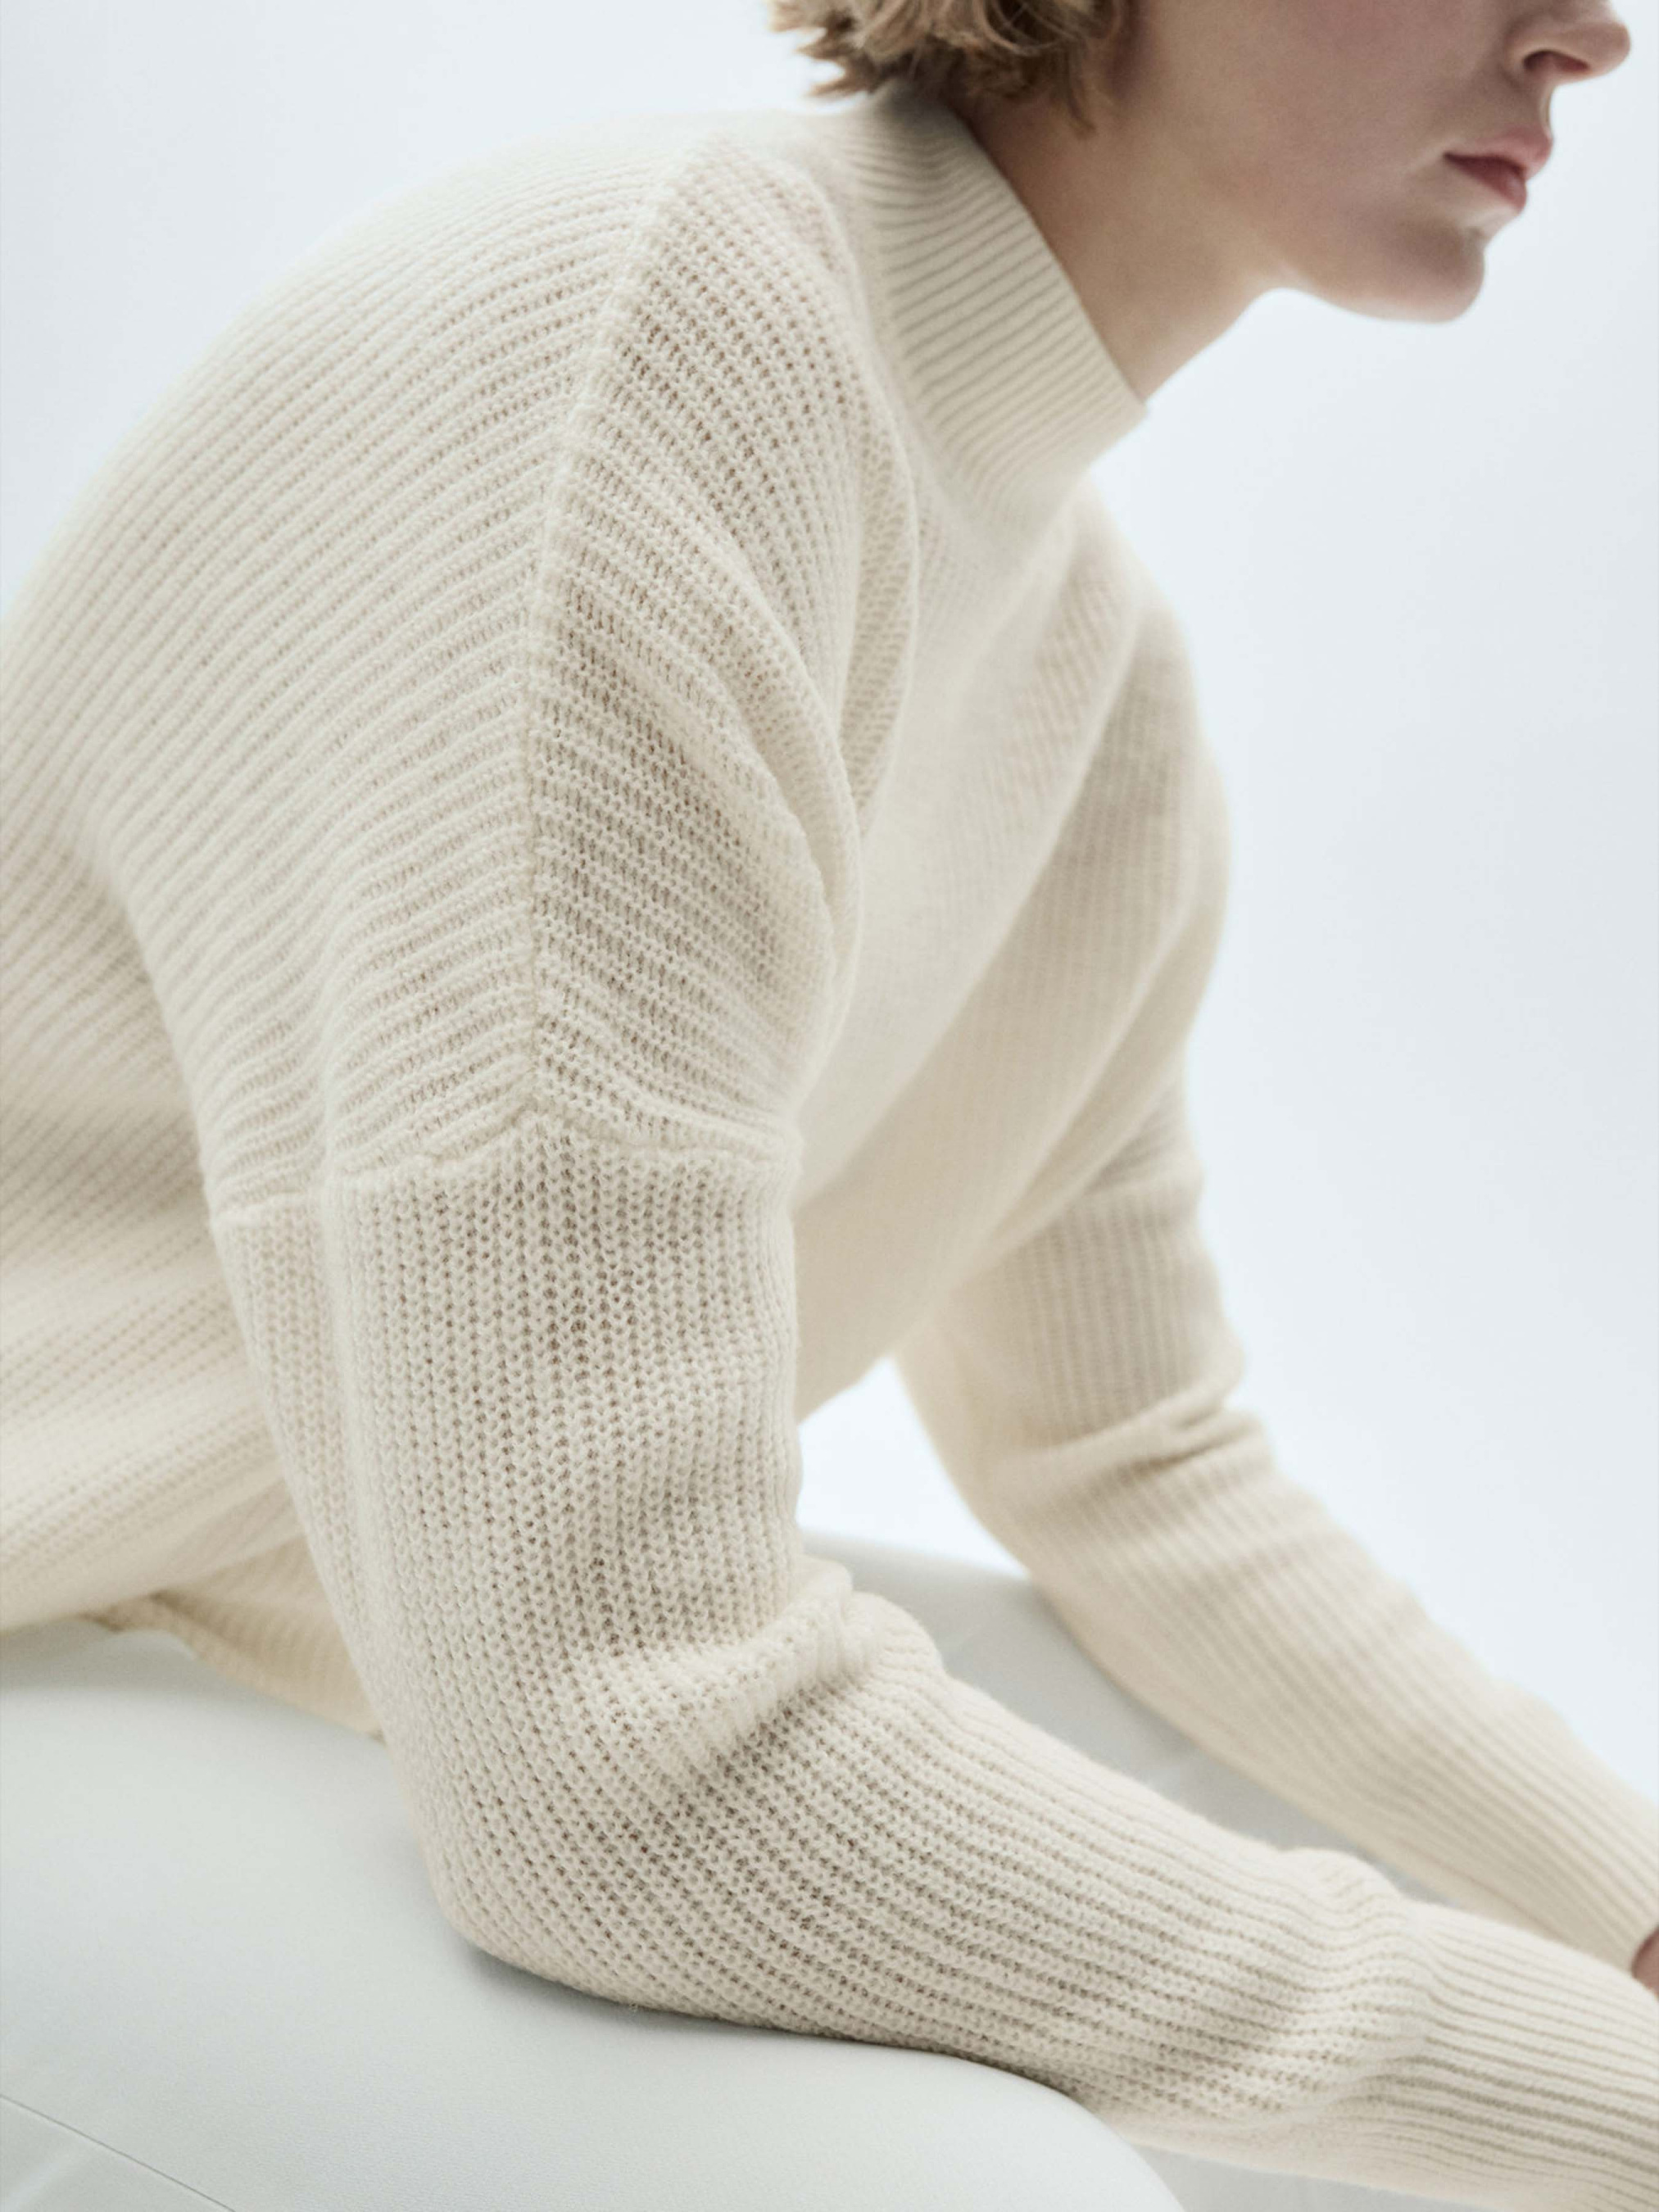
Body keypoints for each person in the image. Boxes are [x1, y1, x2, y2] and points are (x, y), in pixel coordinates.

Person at [1, 2, 1653, 2205]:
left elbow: (1132, 1466)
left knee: (1462, 1963)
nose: (1589, 35)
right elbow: (623, 1758)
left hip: (369, 1645)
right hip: (55, 1639)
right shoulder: (633, 360)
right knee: (986, 2190)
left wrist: (1633, 1927)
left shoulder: (1089, 670)